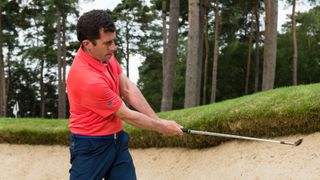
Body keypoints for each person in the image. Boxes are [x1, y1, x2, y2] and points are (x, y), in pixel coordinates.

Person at [67, 9, 183, 180]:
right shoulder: (88, 79)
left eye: (114, 41)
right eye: (107, 43)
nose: (113, 47)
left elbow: (127, 89)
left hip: (117, 140)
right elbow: (126, 115)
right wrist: (162, 128)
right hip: (91, 146)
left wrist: (158, 120)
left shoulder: (105, 55)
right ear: (87, 44)